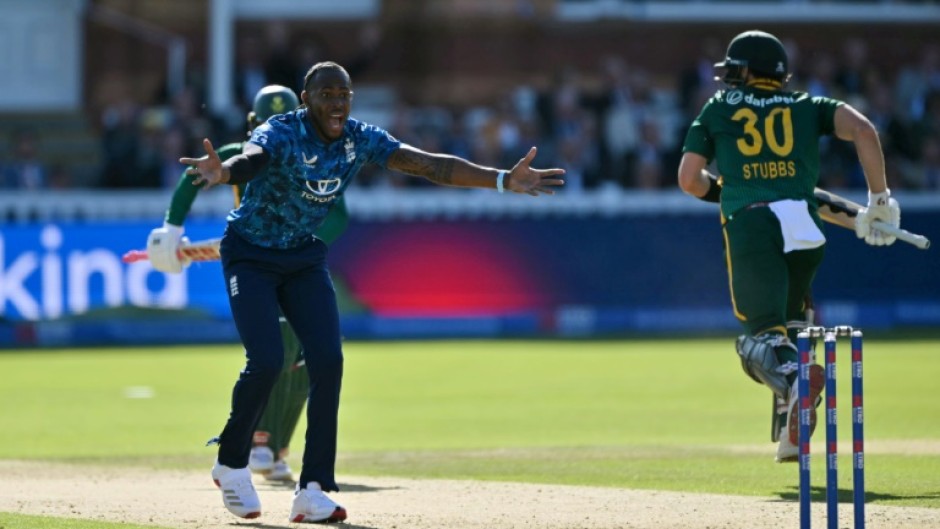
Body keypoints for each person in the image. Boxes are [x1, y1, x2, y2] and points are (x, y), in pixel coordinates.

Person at [179, 61, 565, 523]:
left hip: (302, 256)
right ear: (306, 99)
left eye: (344, 94)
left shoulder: (359, 138)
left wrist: (502, 179)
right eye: (326, 94)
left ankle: (313, 488)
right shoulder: (280, 131)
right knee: (266, 361)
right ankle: (231, 461)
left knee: (329, 361)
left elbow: (430, 165)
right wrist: (225, 173)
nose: (337, 103)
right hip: (250, 254)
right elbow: (252, 160)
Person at [677, 30, 901, 463]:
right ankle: (792, 435)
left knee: (759, 341)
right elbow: (864, 130)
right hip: (804, 229)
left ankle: (797, 381)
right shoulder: (805, 106)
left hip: (753, 224)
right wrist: (875, 205)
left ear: (744, 71)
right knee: (794, 328)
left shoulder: (719, 108)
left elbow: (689, 179)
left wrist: (725, 191)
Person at [147, 85, 348, 484]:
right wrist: (172, 226)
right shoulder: (243, 152)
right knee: (275, 352)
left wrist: (300, 241)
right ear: (253, 126)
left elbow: (338, 216)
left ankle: (274, 449)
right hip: (256, 264)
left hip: (295, 263)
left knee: (309, 361)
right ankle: (258, 441)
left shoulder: (317, 157)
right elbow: (195, 177)